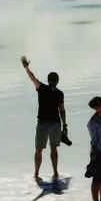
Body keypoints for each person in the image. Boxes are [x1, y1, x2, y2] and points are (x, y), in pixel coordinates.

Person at [20, 55, 70, 185]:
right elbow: (62, 110)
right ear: (57, 81)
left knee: (38, 149)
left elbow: (32, 78)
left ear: (48, 80)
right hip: (55, 124)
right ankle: (55, 172)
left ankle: (36, 173)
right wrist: (65, 125)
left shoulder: (42, 88)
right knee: (53, 148)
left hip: (43, 123)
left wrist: (26, 67)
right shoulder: (59, 93)